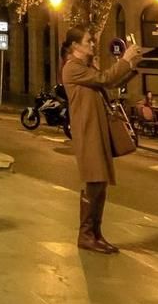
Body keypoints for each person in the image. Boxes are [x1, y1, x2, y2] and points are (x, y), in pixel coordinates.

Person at [62, 26, 147, 255]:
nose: (92, 44)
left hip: (98, 129)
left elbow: (108, 84)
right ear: (75, 46)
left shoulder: (86, 67)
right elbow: (104, 79)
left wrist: (131, 65)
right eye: (89, 41)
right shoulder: (73, 69)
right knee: (94, 180)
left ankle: (95, 233)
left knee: (99, 183)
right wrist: (125, 61)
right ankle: (87, 234)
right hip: (88, 130)